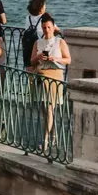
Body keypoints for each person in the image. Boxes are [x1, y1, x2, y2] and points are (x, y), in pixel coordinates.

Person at [32, 14, 71, 148]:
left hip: (54, 76)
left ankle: (46, 139)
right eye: (44, 27)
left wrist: (55, 58)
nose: (46, 30)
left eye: (49, 27)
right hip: (41, 75)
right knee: (44, 110)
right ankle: (53, 135)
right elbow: (31, 61)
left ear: (53, 27)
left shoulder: (60, 42)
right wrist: (38, 56)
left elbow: (68, 60)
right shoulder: (38, 42)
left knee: (49, 108)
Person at [22, 0, 48, 70]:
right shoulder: (45, 17)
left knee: (31, 72)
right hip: (42, 47)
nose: (45, 7)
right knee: (44, 70)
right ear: (41, 7)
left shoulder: (28, 17)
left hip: (29, 47)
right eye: (44, 5)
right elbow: (54, 29)